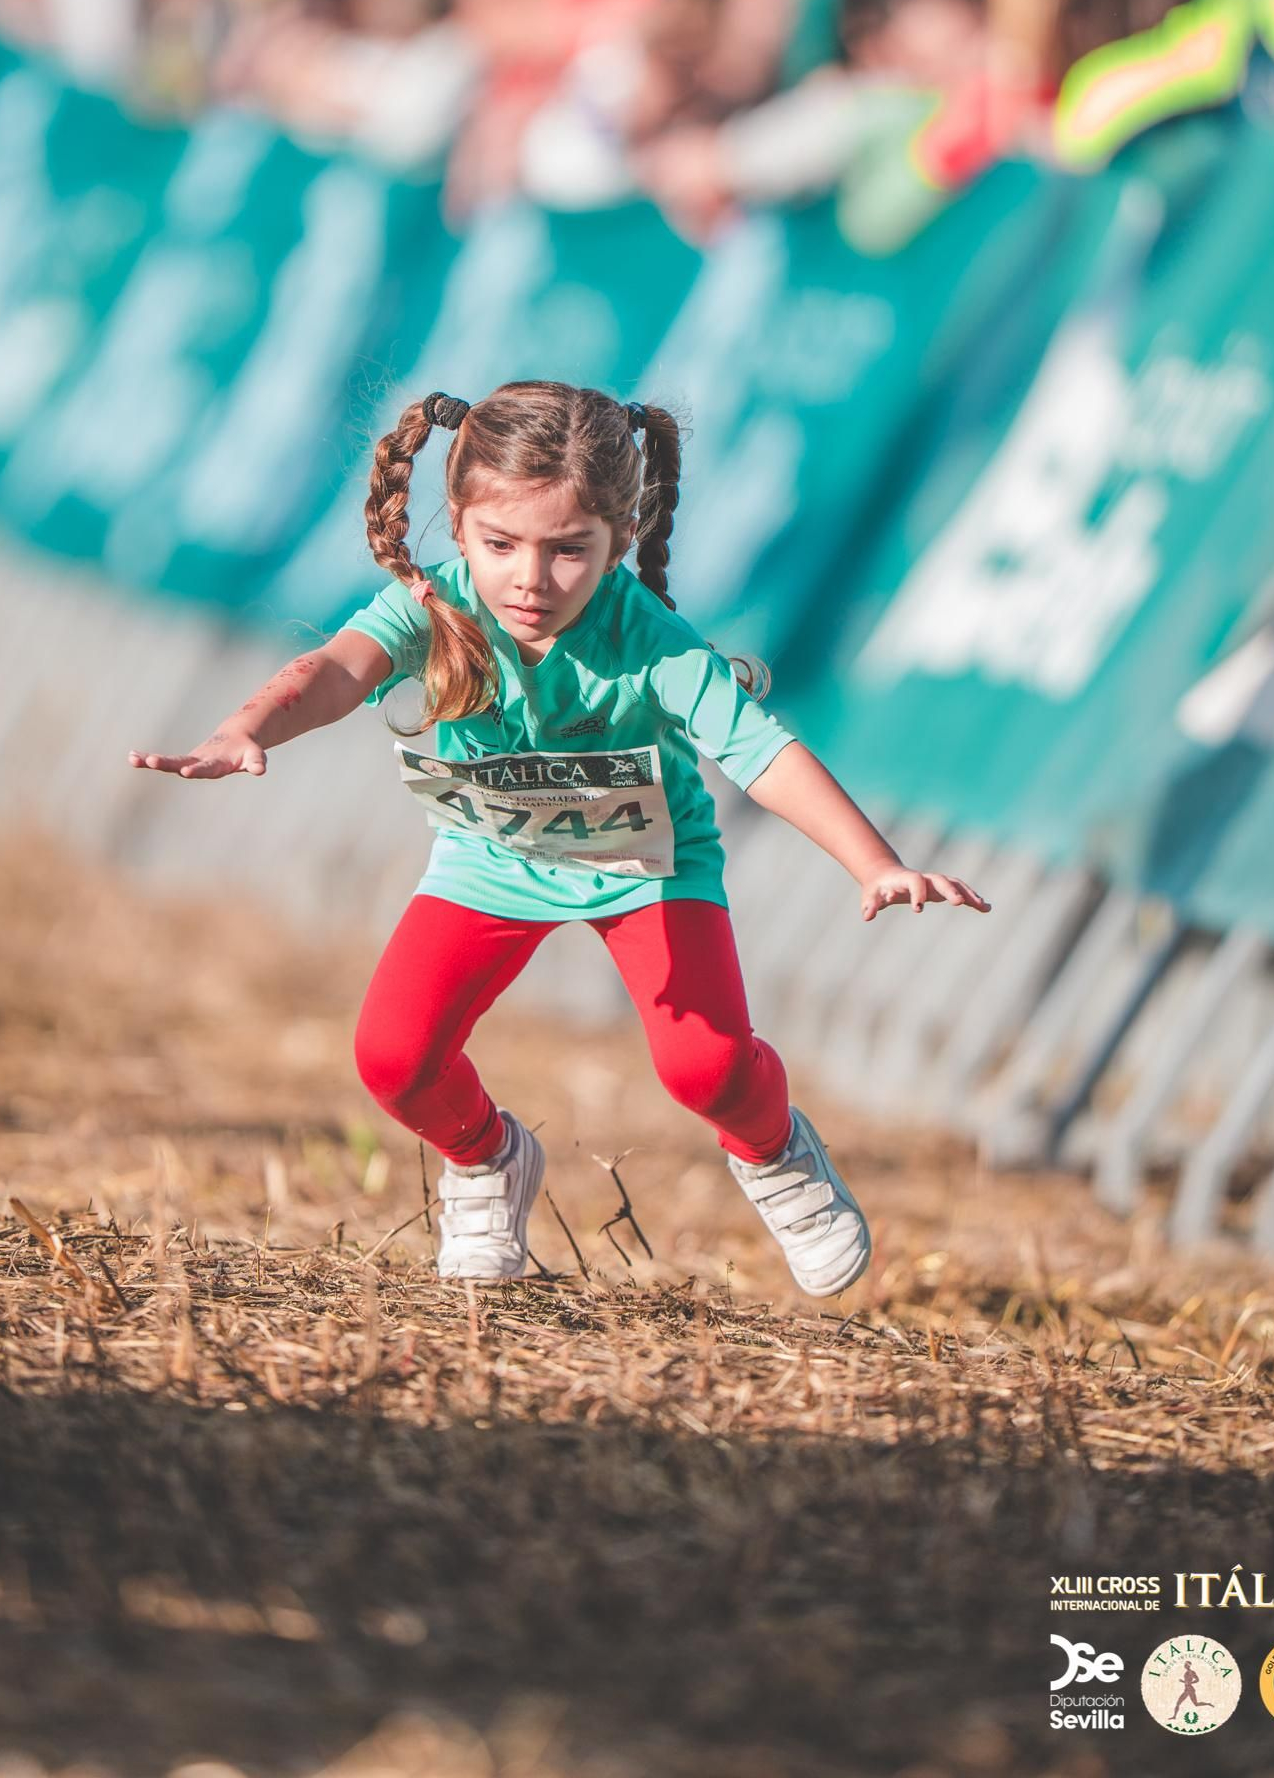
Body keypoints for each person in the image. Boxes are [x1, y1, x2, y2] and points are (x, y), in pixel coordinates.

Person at [128, 383, 989, 1297]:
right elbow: (337, 671)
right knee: (394, 1058)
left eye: (568, 550)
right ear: (457, 527)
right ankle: (487, 1160)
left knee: (707, 1067)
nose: (531, 580)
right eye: (501, 546)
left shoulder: (653, 643)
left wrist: (876, 862)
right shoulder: (434, 607)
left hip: (647, 866)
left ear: (619, 538)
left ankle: (775, 1151)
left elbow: (759, 752)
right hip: (491, 863)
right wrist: (247, 726)